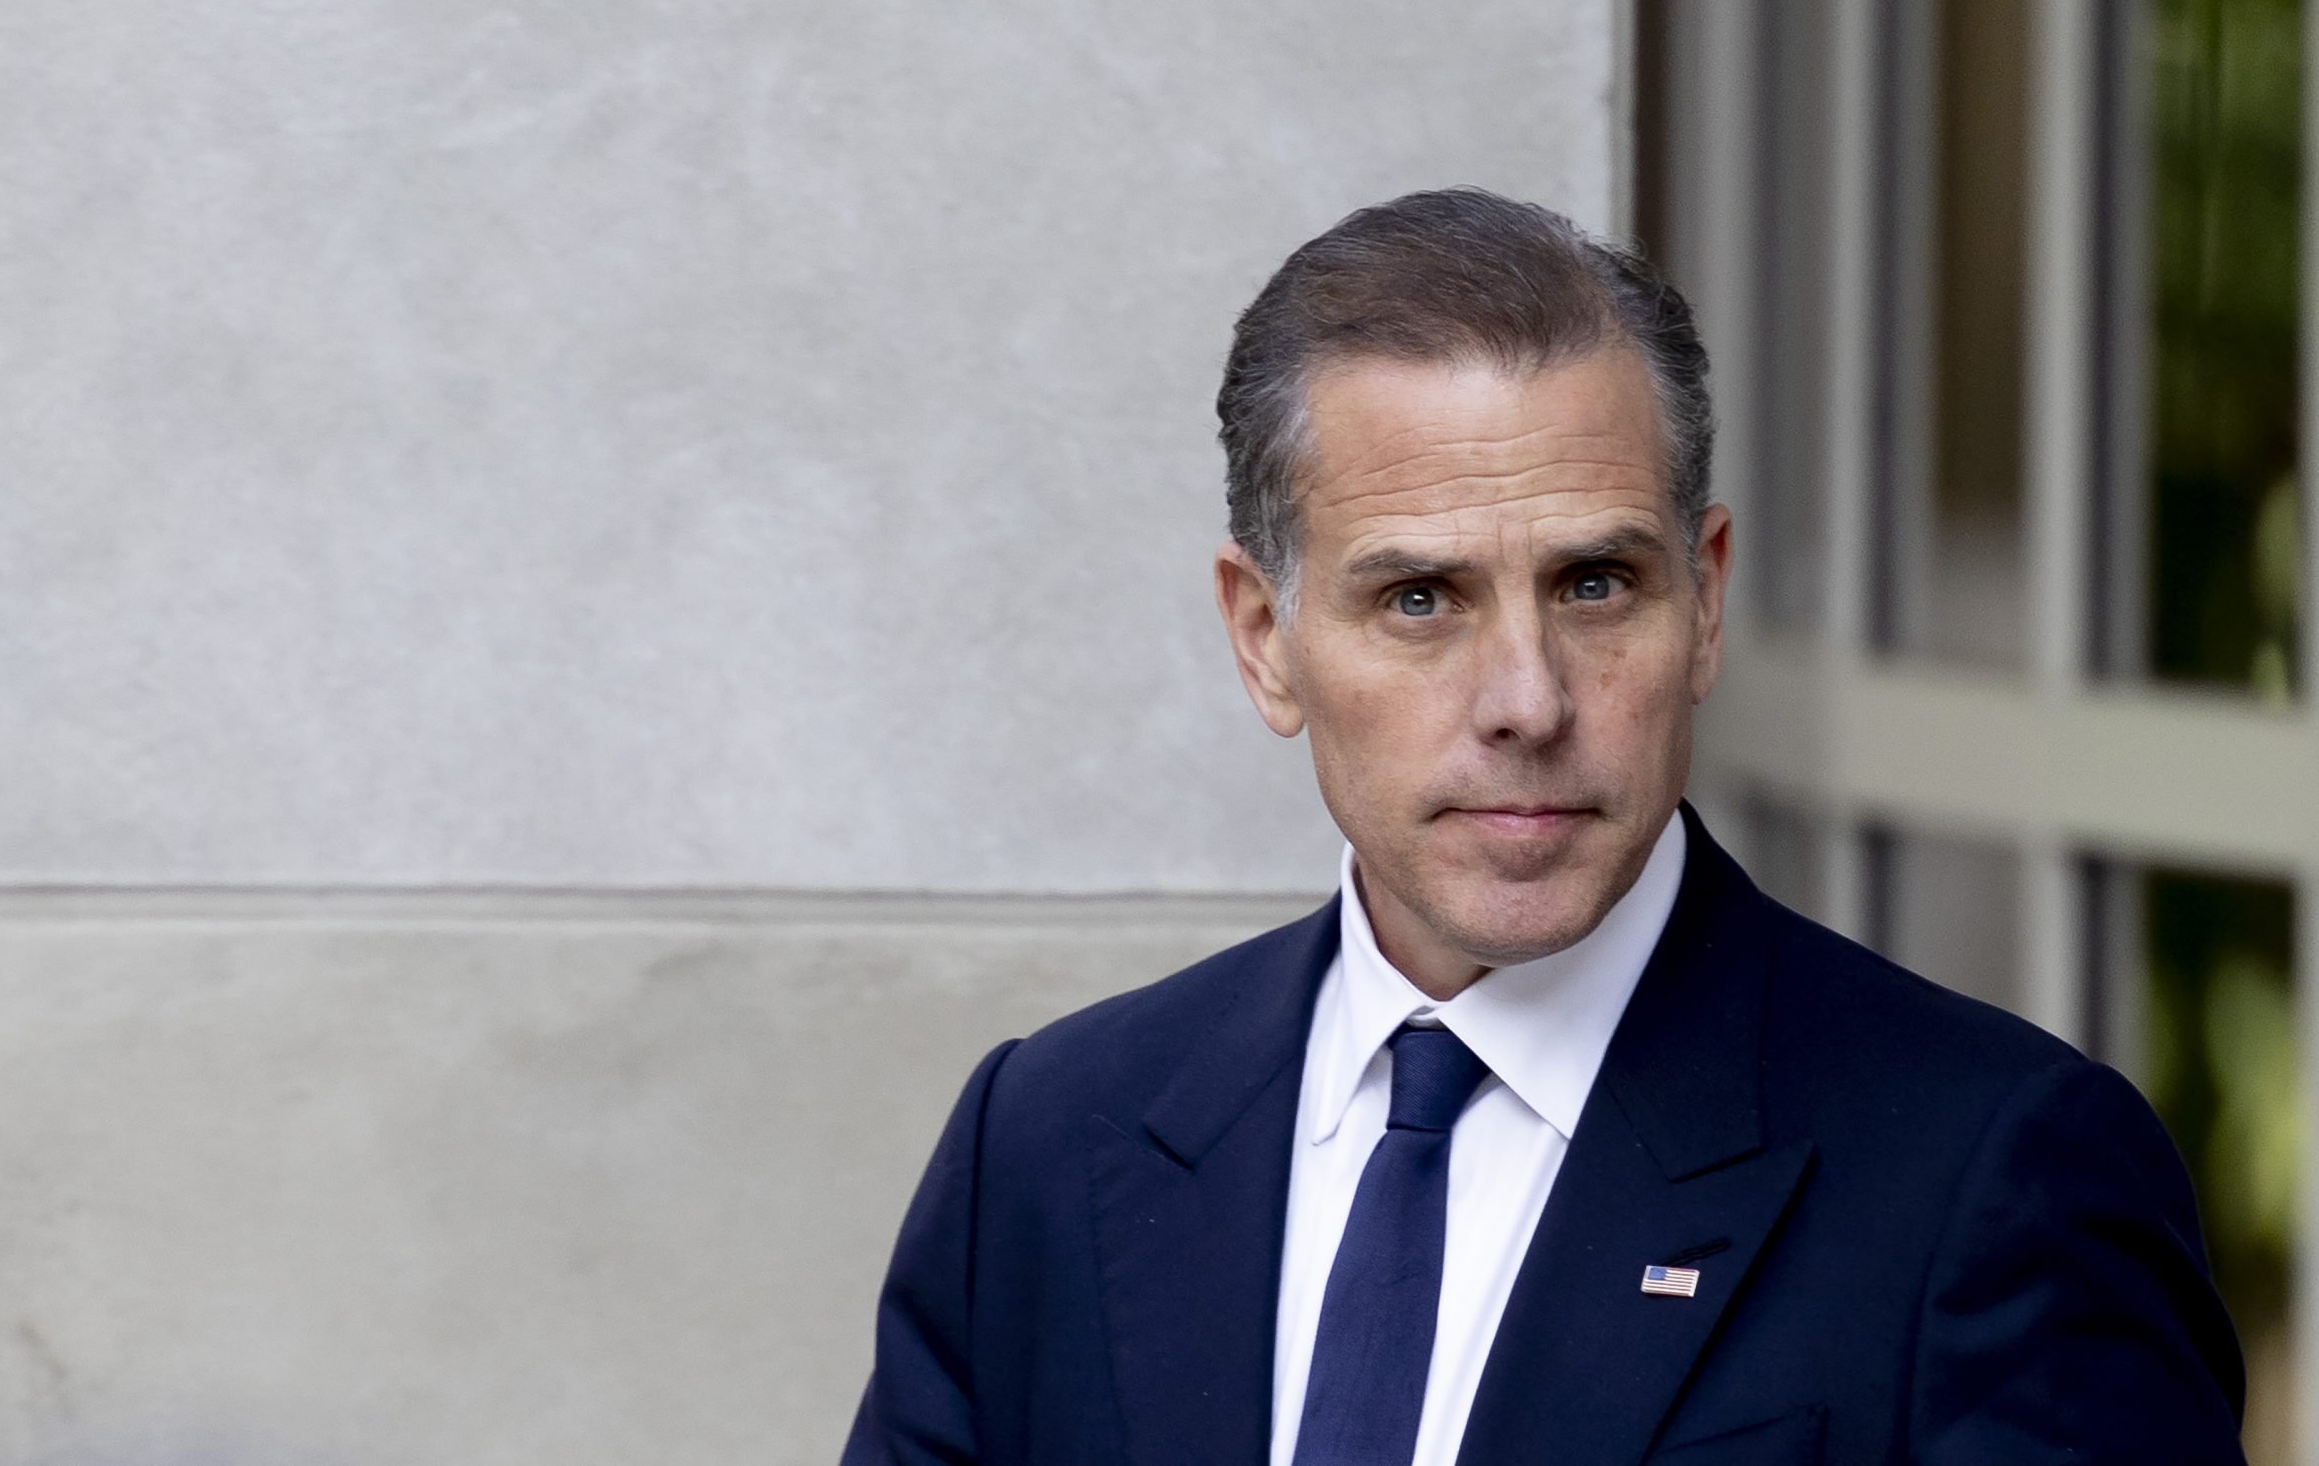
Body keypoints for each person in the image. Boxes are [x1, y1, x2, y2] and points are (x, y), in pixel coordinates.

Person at [841, 188, 2245, 1465]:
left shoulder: (1994, 1178)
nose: (1525, 701)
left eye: (1592, 585)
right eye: (1418, 600)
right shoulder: (1047, 1142)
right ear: (1265, 640)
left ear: (1702, 600)